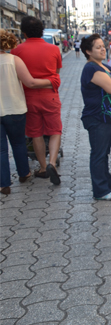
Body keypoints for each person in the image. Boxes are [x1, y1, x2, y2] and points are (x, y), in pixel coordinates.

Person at [0, 29, 54, 195]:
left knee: (1, 149)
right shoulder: (14, 60)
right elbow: (30, 82)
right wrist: (52, 81)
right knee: (18, 143)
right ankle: (24, 173)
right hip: (16, 109)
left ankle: (4, 184)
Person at [11, 16, 63, 185]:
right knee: (55, 130)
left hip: (28, 97)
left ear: (23, 32)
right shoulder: (54, 49)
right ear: (42, 31)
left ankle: (42, 168)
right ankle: (52, 163)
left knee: (35, 133)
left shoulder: (17, 51)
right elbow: (56, 72)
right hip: (50, 95)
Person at [79, 34, 111, 200]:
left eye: (103, 46)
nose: (103, 49)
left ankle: (108, 182)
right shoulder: (91, 68)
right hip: (97, 117)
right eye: (98, 47)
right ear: (88, 51)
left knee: (104, 151)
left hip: (107, 117)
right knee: (98, 153)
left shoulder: (105, 66)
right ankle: (100, 190)